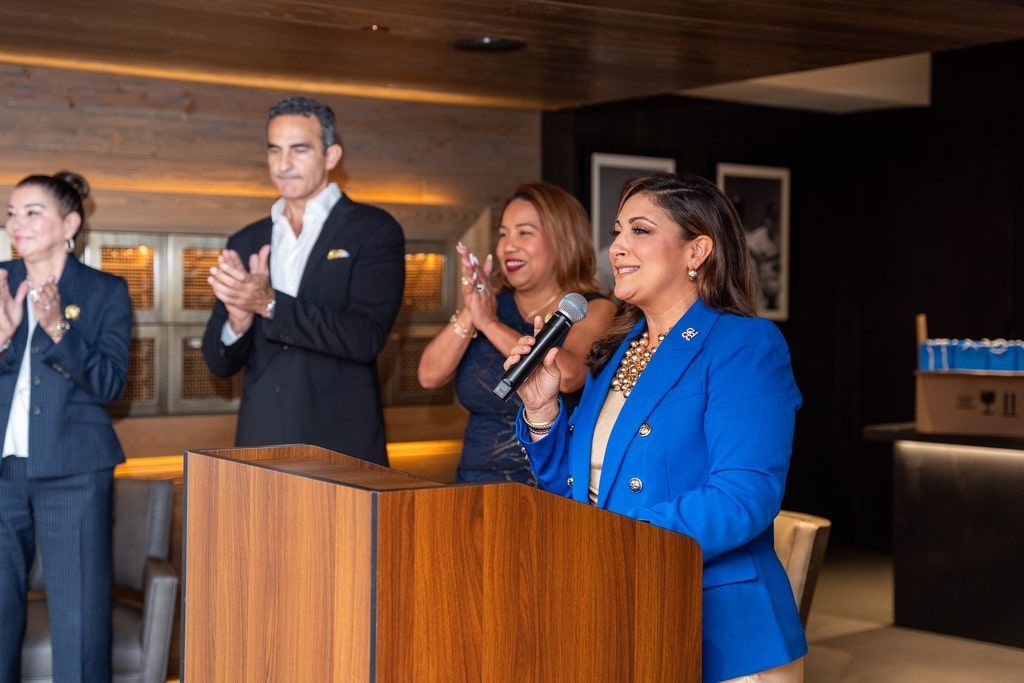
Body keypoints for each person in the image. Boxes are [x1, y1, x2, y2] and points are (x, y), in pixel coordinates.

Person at [507, 173, 805, 682]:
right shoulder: (620, 350)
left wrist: (617, 543)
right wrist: (541, 411)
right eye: (617, 231)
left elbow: (742, 498)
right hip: (623, 611)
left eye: (640, 231)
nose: (617, 247)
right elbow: (578, 490)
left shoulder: (744, 345)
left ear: (697, 251)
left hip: (716, 630)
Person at [202, 96, 405, 465]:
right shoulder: (246, 240)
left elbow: (365, 338)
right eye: (274, 150)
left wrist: (269, 304)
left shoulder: (373, 230)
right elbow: (219, 363)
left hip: (342, 442)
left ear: (331, 156)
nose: (283, 164)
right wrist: (238, 321)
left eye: (299, 150)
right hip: (260, 440)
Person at [0, 171, 132, 681]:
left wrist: (58, 329)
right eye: (12, 212)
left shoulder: (104, 292)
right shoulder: (1, 282)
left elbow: (110, 385)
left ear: (70, 223)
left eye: (33, 212)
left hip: (75, 472)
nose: (18, 223)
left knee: (79, 618)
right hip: (5, 473)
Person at [418, 182, 615, 483]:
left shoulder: (590, 308)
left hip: (553, 485)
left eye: (524, 233)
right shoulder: (488, 305)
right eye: (503, 234)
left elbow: (569, 375)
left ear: (562, 239)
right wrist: (473, 310)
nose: (509, 246)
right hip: (476, 484)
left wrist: (490, 324)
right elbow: (429, 376)